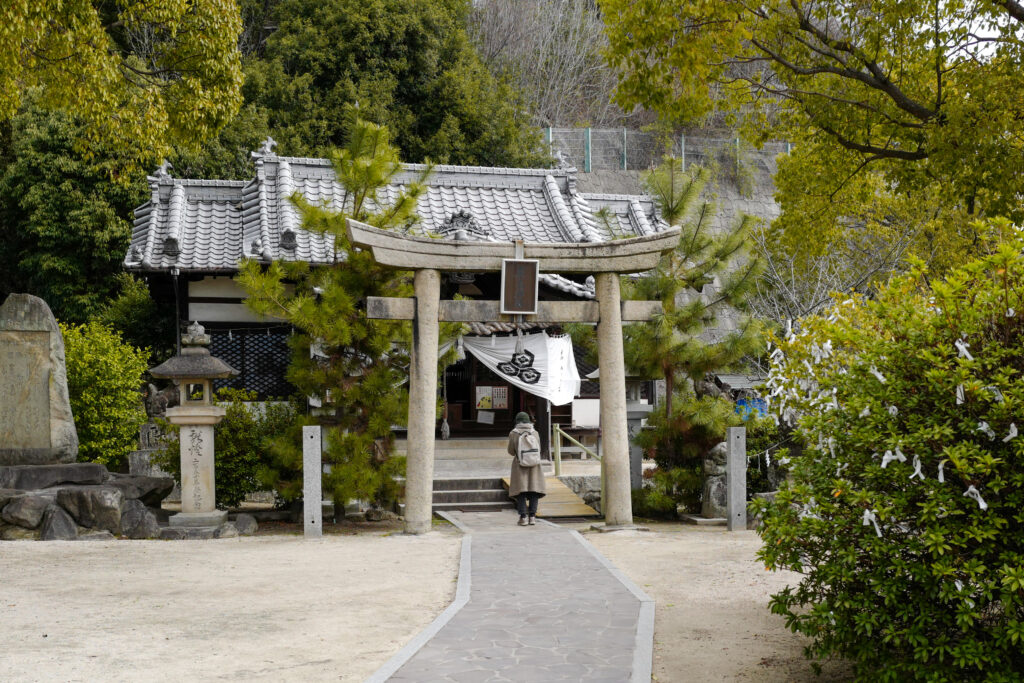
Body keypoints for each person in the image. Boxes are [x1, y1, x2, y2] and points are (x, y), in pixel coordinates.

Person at [507, 411, 546, 526]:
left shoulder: (513, 433)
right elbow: (539, 449)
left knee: (521, 491)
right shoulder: (535, 433)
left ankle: (523, 517)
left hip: (520, 465)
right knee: (534, 490)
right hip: (534, 466)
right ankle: (532, 517)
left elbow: (510, 451)